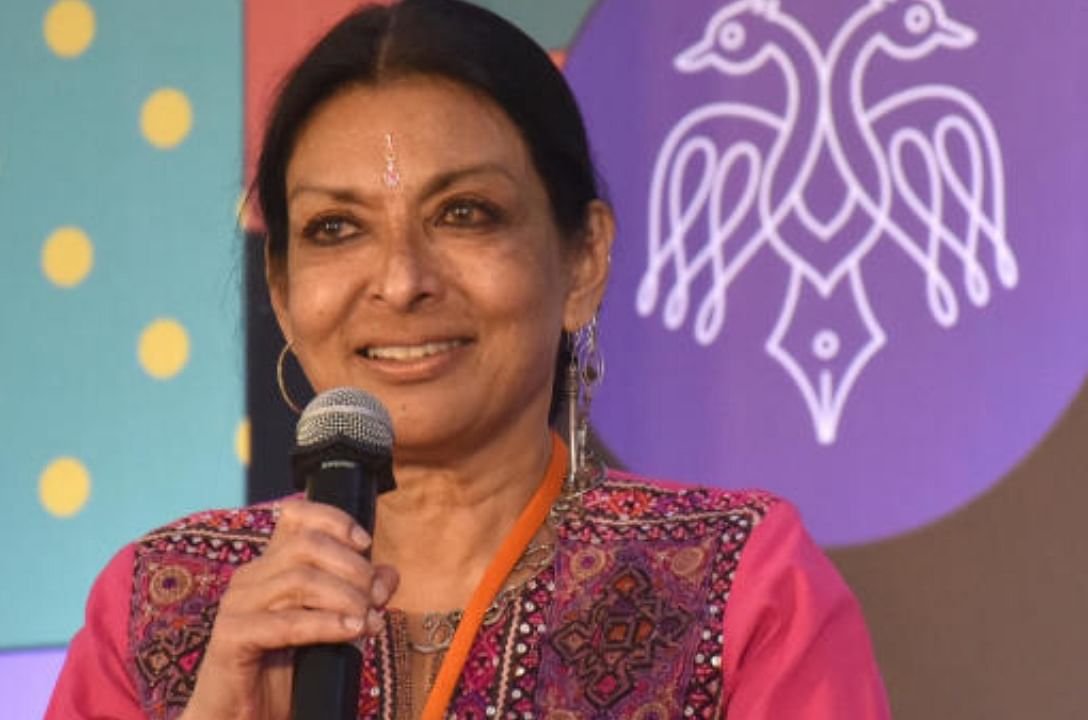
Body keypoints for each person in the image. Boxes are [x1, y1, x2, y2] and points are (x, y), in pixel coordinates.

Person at [46, 1, 892, 718]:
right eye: (336, 229)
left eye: (465, 213)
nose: (402, 280)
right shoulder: (162, 608)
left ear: (583, 260)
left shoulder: (735, 586)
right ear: (283, 293)